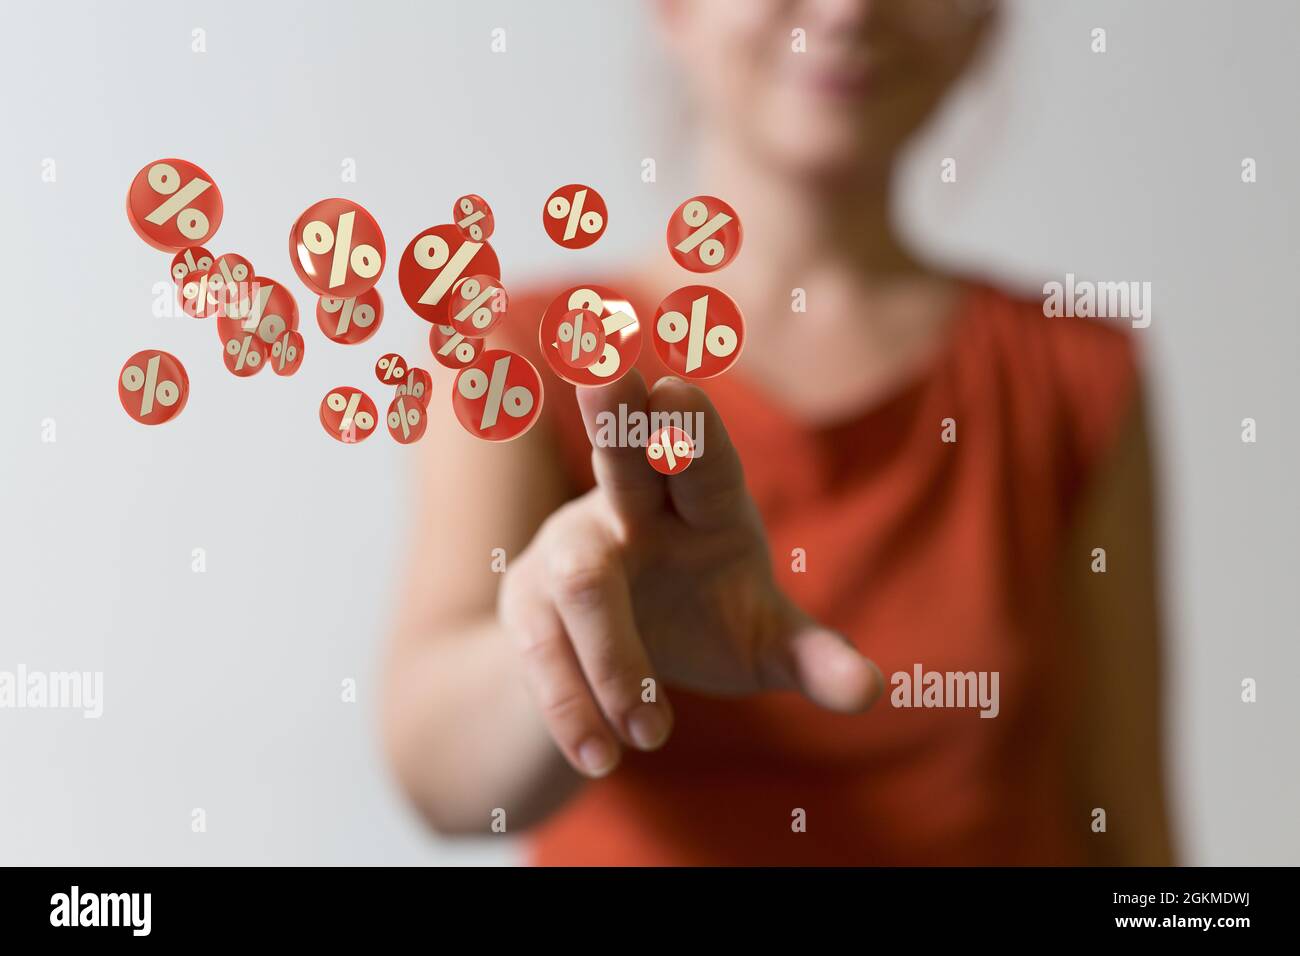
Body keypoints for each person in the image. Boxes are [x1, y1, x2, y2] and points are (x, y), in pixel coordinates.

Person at [382, 0, 1174, 865]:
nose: (848, 10)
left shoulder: (1071, 372)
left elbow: (1128, 825)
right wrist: (575, 626)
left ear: (984, 26)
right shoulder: (523, 352)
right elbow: (435, 765)